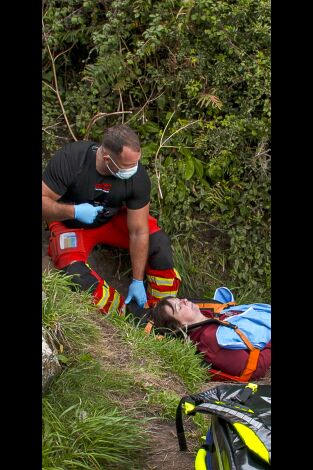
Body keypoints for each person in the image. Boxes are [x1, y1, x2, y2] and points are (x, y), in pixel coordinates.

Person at [42, 124, 181, 315]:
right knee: (73, 271)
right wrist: (73, 211)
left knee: (158, 242)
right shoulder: (73, 160)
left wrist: (138, 280)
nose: (133, 169)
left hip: (110, 221)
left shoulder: (136, 175)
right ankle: (127, 315)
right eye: (127, 166)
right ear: (107, 159)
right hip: (70, 223)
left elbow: (139, 231)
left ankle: (165, 310)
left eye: (136, 163)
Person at [149, 296, 271, 380]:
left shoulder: (211, 315)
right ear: (181, 326)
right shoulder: (210, 340)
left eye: (180, 299)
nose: (185, 300)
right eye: (179, 307)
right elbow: (255, 369)